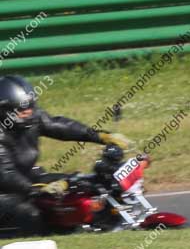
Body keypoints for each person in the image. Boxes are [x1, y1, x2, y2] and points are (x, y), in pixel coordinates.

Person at [0, 75, 130, 235]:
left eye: (31, 106)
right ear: (5, 110)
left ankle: (98, 225)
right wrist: (34, 189)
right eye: (22, 109)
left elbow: (58, 125)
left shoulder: (32, 117)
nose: (29, 111)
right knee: (34, 214)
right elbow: (6, 174)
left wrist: (100, 136)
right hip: (5, 191)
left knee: (78, 186)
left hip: (28, 177)